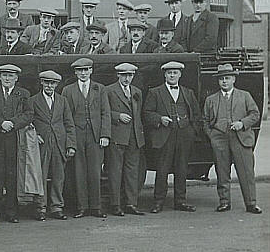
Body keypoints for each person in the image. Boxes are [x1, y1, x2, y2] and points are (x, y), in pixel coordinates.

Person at [203, 64, 262, 214]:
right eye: (221, 79)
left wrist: (242, 123)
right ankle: (224, 202)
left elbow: (255, 114)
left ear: (233, 79)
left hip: (241, 138)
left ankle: (251, 203)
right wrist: (213, 136)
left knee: (246, 172)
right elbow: (205, 121)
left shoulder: (245, 96)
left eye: (227, 78)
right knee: (222, 172)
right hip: (220, 139)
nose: (224, 81)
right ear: (218, 81)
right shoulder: (211, 99)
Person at [143, 61, 200, 213]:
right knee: (162, 169)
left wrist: (191, 131)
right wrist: (159, 119)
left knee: (182, 169)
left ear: (180, 74)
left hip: (184, 135)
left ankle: (180, 201)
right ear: (165, 75)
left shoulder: (188, 92)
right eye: (169, 73)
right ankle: (158, 202)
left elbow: (196, 114)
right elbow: (147, 113)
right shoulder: (155, 92)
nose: (172, 75)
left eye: (175, 72)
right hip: (164, 134)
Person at [61, 58, 111, 218]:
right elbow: (65, 116)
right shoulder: (68, 90)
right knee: (79, 171)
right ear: (75, 72)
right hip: (77, 134)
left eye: (86, 70)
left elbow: (105, 112)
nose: (83, 73)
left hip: (95, 136)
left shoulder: (100, 89)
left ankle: (96, 207)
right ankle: (82, 206)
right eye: (80, 70)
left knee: (95, 171)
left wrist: (105, 134)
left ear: (91, 71)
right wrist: (70, 140)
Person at [0, 64, 32, 223]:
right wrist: (1, 124)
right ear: (0, 77)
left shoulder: (23, 94)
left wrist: (12, 123)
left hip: (14, 141)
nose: (7, 78)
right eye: (4, 75)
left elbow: (28, 114)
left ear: (16, 78)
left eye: (11, 76)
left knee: (12, 178)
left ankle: (11, 212)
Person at [25, 70, 76, 221]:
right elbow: (28, 121)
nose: (49, 86)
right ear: (41, 83)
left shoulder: (62, 100)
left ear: (57, 84)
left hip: (59, 143)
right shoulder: (33, 100)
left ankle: (56, 207)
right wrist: (35, 135)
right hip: (41, 144)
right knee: (40, 176)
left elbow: (69, 123)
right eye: (46, 82)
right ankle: (40, 208)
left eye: (52, 83)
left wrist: (71, 144)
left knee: (59, 177)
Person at [105, 63, 146, 216]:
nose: (127, 78)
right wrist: (117, 116)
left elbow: (138, 114)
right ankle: (115, 204)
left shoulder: (137, 92)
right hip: (117, 136)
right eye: (124, 75)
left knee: (132, 172)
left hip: (134, 137)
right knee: (115, 171)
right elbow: (103, 111)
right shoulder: (109, 90)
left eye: (130, 75)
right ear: (118, 75)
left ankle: (131, 203)